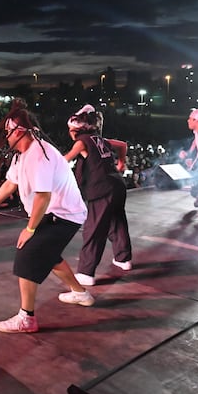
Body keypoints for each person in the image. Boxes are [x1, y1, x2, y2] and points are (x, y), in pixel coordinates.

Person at [0, 99, 93, 334]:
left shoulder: (39, 156)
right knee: (47, 254)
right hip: (56, 212)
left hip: (64, 214)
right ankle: (81, 293)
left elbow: (43, 197)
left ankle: (26, 318)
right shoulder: (23, 153)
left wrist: (29, 230)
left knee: (28, 253)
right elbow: (11, 183)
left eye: (8, 132)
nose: (6, 137)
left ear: (19, 132)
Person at [63, 105, 132, 286]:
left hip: (101, 189)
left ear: (75, 129)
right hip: (117, 185)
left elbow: (65, 160)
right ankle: (123, 259)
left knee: (94, 229)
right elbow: (123, 145)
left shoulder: (82, 141)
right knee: (117, 222)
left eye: (70, 130)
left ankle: (86, 273)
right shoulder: (100, 139)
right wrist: (121, 163)